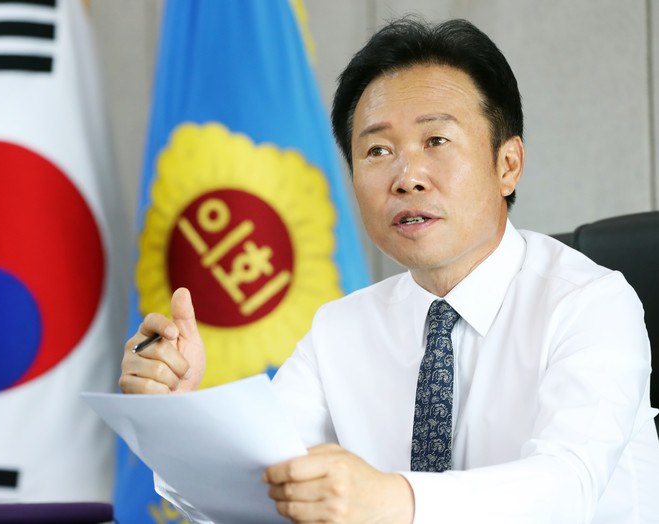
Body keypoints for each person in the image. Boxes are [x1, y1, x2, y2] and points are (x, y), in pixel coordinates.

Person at [119, 16, 659, 523]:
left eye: (436, 141)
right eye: (377, 150)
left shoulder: (591, 304)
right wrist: (177, 417)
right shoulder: (340, 329)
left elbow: (567, 488)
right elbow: (259, 485)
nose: (407, 177)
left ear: (507, 165)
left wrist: (392, 499)